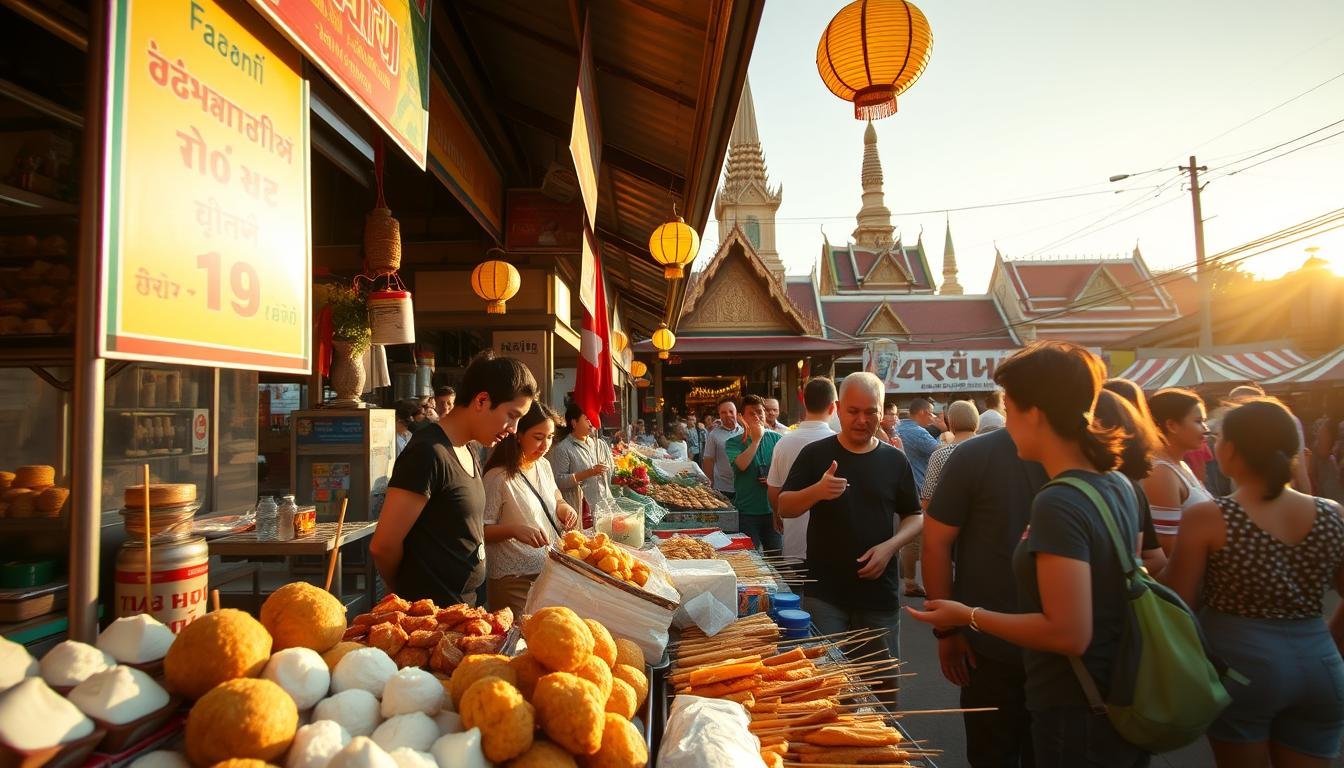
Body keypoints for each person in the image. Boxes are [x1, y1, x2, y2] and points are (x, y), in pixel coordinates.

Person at [908, 341, 1149, 767]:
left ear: (1034, 412)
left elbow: (1068, 633)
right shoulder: (1118, 484)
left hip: (1070, 700)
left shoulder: (1060, 501)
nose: (1005, 422)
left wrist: (966, 616)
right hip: (1115, 687)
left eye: (1010, 408)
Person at [1160, 397, 1344, 768]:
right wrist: (1330, 641)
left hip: (1242, 670)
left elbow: (1176, 603)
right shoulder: (1332, 513)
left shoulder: (1210, 517)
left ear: (1230, 449)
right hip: (1321, 666)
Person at [778, 372, 923, 697]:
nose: (861, 420)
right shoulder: (816, 454)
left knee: (882, 685)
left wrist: (889, 548)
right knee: (828, 686)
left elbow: (915, 516)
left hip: (878, 593)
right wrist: (816, 491)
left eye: (870, 411)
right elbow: (785, 507)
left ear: (882, 411)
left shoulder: (894, 459)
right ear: (838, 409)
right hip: (825, 591)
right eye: (853, 411)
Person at [922, 423, 1048, 768]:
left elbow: (934, 543)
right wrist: (948, 630)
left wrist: (950, 630)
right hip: (993, 650)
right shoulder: (975, 455)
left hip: (1051, 653)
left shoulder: (1088, 460)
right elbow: (935, 544)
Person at [372, 352, 537, 606]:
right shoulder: (428, 452)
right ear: (481, 400)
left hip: (464, 608)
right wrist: (404, 595)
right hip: (430, 618)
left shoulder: (470, 448)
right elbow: (383, 546)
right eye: (512, 415)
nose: (513, 430)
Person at [482, 402, 580, 614]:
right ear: (518, 434)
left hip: (548, 571)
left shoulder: (543, 465)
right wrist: (514, 530)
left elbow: (554, 495)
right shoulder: (497, 477)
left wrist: (563, 507)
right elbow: (480, 531)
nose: (545, 445)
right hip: (513, 579)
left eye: (550, 437)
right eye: (538, 437)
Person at [1093, 389, 1168, 575]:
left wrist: (1116, 581)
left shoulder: (1109, 486)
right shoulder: (1129, 485)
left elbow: (1156, 558)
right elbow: (1156, 557)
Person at [767, 378, 838, 561]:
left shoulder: (783, 443)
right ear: (833, 407)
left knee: (795, 589)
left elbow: (774, 490)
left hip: (793, 542)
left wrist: (777, 514)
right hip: (830, 547)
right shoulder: (840, 445)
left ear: (804, 403)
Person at [1142, 388, 1214, 555]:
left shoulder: (1178, 464)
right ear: (1172, 425)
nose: (1205, 429)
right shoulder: (1161, 473)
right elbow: (1169, 549)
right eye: (1198, 421)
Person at [1231, 383, 1313, 493]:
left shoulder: (1286, 421)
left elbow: (1300, 467)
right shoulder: (1234, 424)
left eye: (1234, 404)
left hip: (1276, 492)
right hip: (1276, 494)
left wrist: (1308, 500)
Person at [727, 395, 784, 551]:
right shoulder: (733, 442)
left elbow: (787, 472)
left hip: (772, 511)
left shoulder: (778, 439)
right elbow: (741, 465)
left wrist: (774, 481)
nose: (757, 417)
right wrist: (756, 440)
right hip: (747, 512)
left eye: (760, 412)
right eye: (751, 413)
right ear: (741, 417)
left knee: (776, 556)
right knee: (751, 557)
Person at [897, 398, 941, 598]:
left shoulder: (898, 429)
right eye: (931, 413)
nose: (932, 417)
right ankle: (913, 583)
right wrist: (943, 429)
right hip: (920, 490)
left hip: (904, 488)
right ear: (922, 412)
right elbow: (941, 453)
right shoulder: (918, 432)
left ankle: (909, 580)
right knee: (919, 540)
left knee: (910, 537)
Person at [549, 404, 614, 528]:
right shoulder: (563, 448)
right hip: (579, 512)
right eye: (587, 419)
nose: (591, 423)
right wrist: (590, 472)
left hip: (603, 509)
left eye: (593, 418)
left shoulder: (598, 444)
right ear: (574, 422)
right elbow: (558, 481)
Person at [919, 401, 980, 510]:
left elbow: (927, 499)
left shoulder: (940, 455)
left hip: (950, 520)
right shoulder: (992, 449)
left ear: (950, 423)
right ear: (976, 421)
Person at [702, 398, 744, 500]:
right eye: (723, 412)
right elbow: (708, 460)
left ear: (737, 413)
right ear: (719, 415)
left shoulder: (745, 431)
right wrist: (709, 486)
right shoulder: (713, 435)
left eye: (731, 411)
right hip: (722, 487)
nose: (728, 415)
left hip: (744, 485)